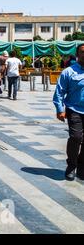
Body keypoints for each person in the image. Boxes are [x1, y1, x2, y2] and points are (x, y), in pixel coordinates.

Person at [53, 44, 84, 181]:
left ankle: (82, 166)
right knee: (76, 137)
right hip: (74, 110)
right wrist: (60, 110)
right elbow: (59, 92)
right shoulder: (68, 72)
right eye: (83, 52)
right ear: (77, 54)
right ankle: (71, 165)